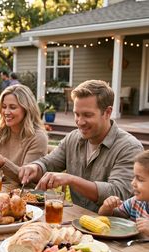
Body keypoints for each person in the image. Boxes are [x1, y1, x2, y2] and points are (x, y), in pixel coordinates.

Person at [19, 80, 143, 212]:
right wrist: (35, 167)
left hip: (112, 227)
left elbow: (117, 193)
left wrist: (71, 180)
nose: (80, 121)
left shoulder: (130, 147)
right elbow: (49, 162)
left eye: (87, 115)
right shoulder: (73, 138)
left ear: (107, 112)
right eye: (76, 114)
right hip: (76, 220)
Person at [98, 150, 149, 236]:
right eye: (134, 177)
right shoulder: (136, 202)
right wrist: (107, 208)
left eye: (140, 179)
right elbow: (112, 217)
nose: (133, 183)